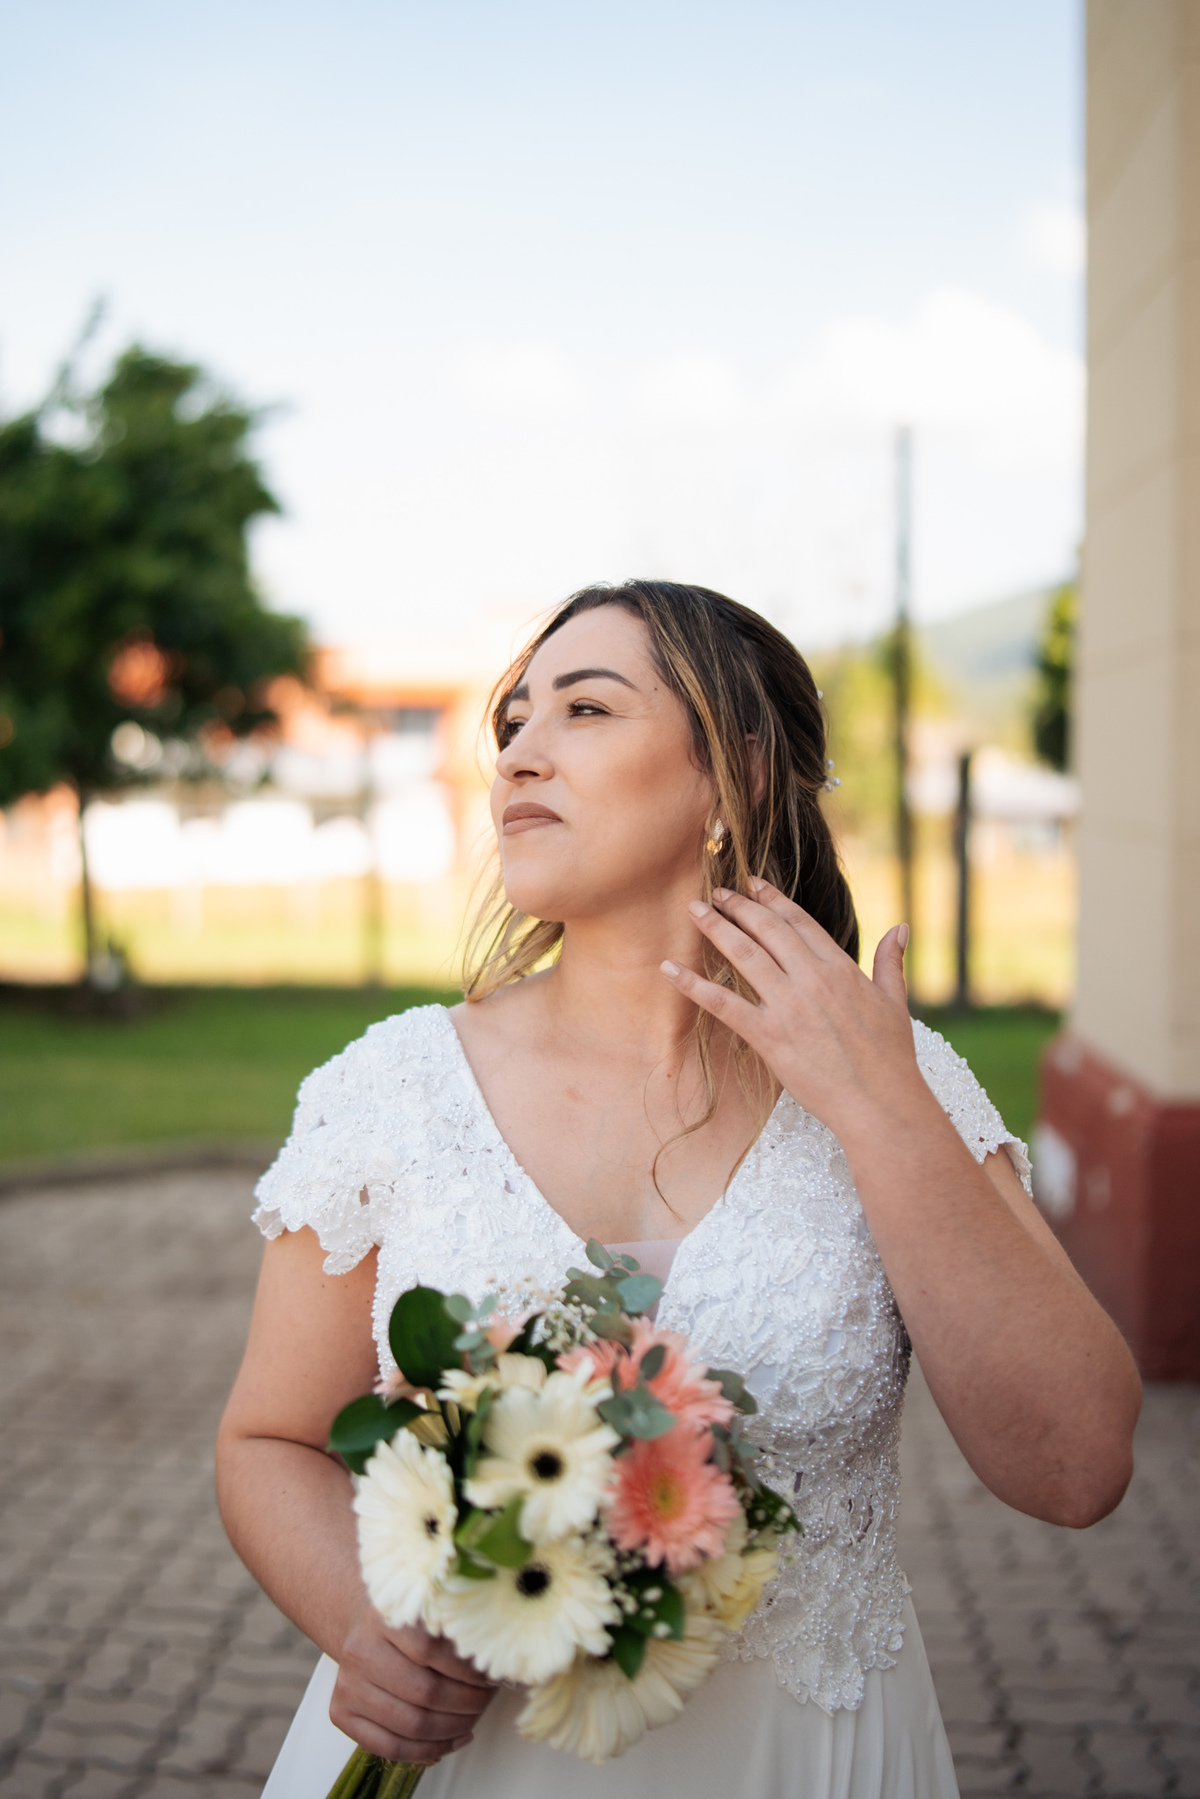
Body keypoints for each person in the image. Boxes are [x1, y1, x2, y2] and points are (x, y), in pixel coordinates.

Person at [217, 581, 1140, 1799]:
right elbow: (270, 1437)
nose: (519, 755)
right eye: (511, 724)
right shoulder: (390, 1089)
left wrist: (878, 1107)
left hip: (806, 1758)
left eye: (584, 709)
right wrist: (361, 1625)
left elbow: (1076, 1467)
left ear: (737, 780)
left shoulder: (895, 1073)